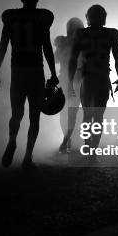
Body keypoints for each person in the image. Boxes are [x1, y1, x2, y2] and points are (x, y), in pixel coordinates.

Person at [0, 0, 58, 169]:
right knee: (34, 116)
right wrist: (53, 73)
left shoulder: (11, 17)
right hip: (36, 70)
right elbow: (47, 48)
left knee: (16, 113)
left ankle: (12, 140)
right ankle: (27, 157)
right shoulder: (42, 18)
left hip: (18, 70)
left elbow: (2, 46)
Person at [68, 5, 118, 161]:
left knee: (88, 116)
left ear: (88, 17)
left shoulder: (82, 34)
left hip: (89, 79)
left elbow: (73, 58)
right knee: (98, 116)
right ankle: (91, 151)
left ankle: (89, 148)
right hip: (100, 78)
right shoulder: (110, 34)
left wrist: (71, 79)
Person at [54, 17, 84, 153]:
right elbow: (55, 59)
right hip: (72, 79)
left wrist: (60, 46)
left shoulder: (67, 42)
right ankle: (66, 140)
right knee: (67, 112)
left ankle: (66, 140)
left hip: (72, 79)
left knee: (67, 112)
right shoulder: (80, 41)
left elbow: (55, 59)